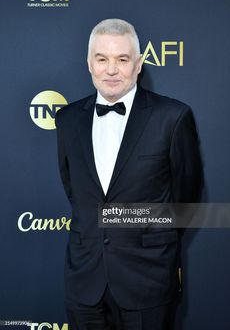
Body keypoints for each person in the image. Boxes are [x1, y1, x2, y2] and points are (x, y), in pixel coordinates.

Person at [55, 18, 203, 330]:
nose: (111, 70)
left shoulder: (173, 117)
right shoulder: (67, 119)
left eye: (122, 60)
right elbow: (74, 190)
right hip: (84, 280)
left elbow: (186, 201)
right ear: (89, 64)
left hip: (147, 280)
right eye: (102, 59)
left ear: (138, 65)